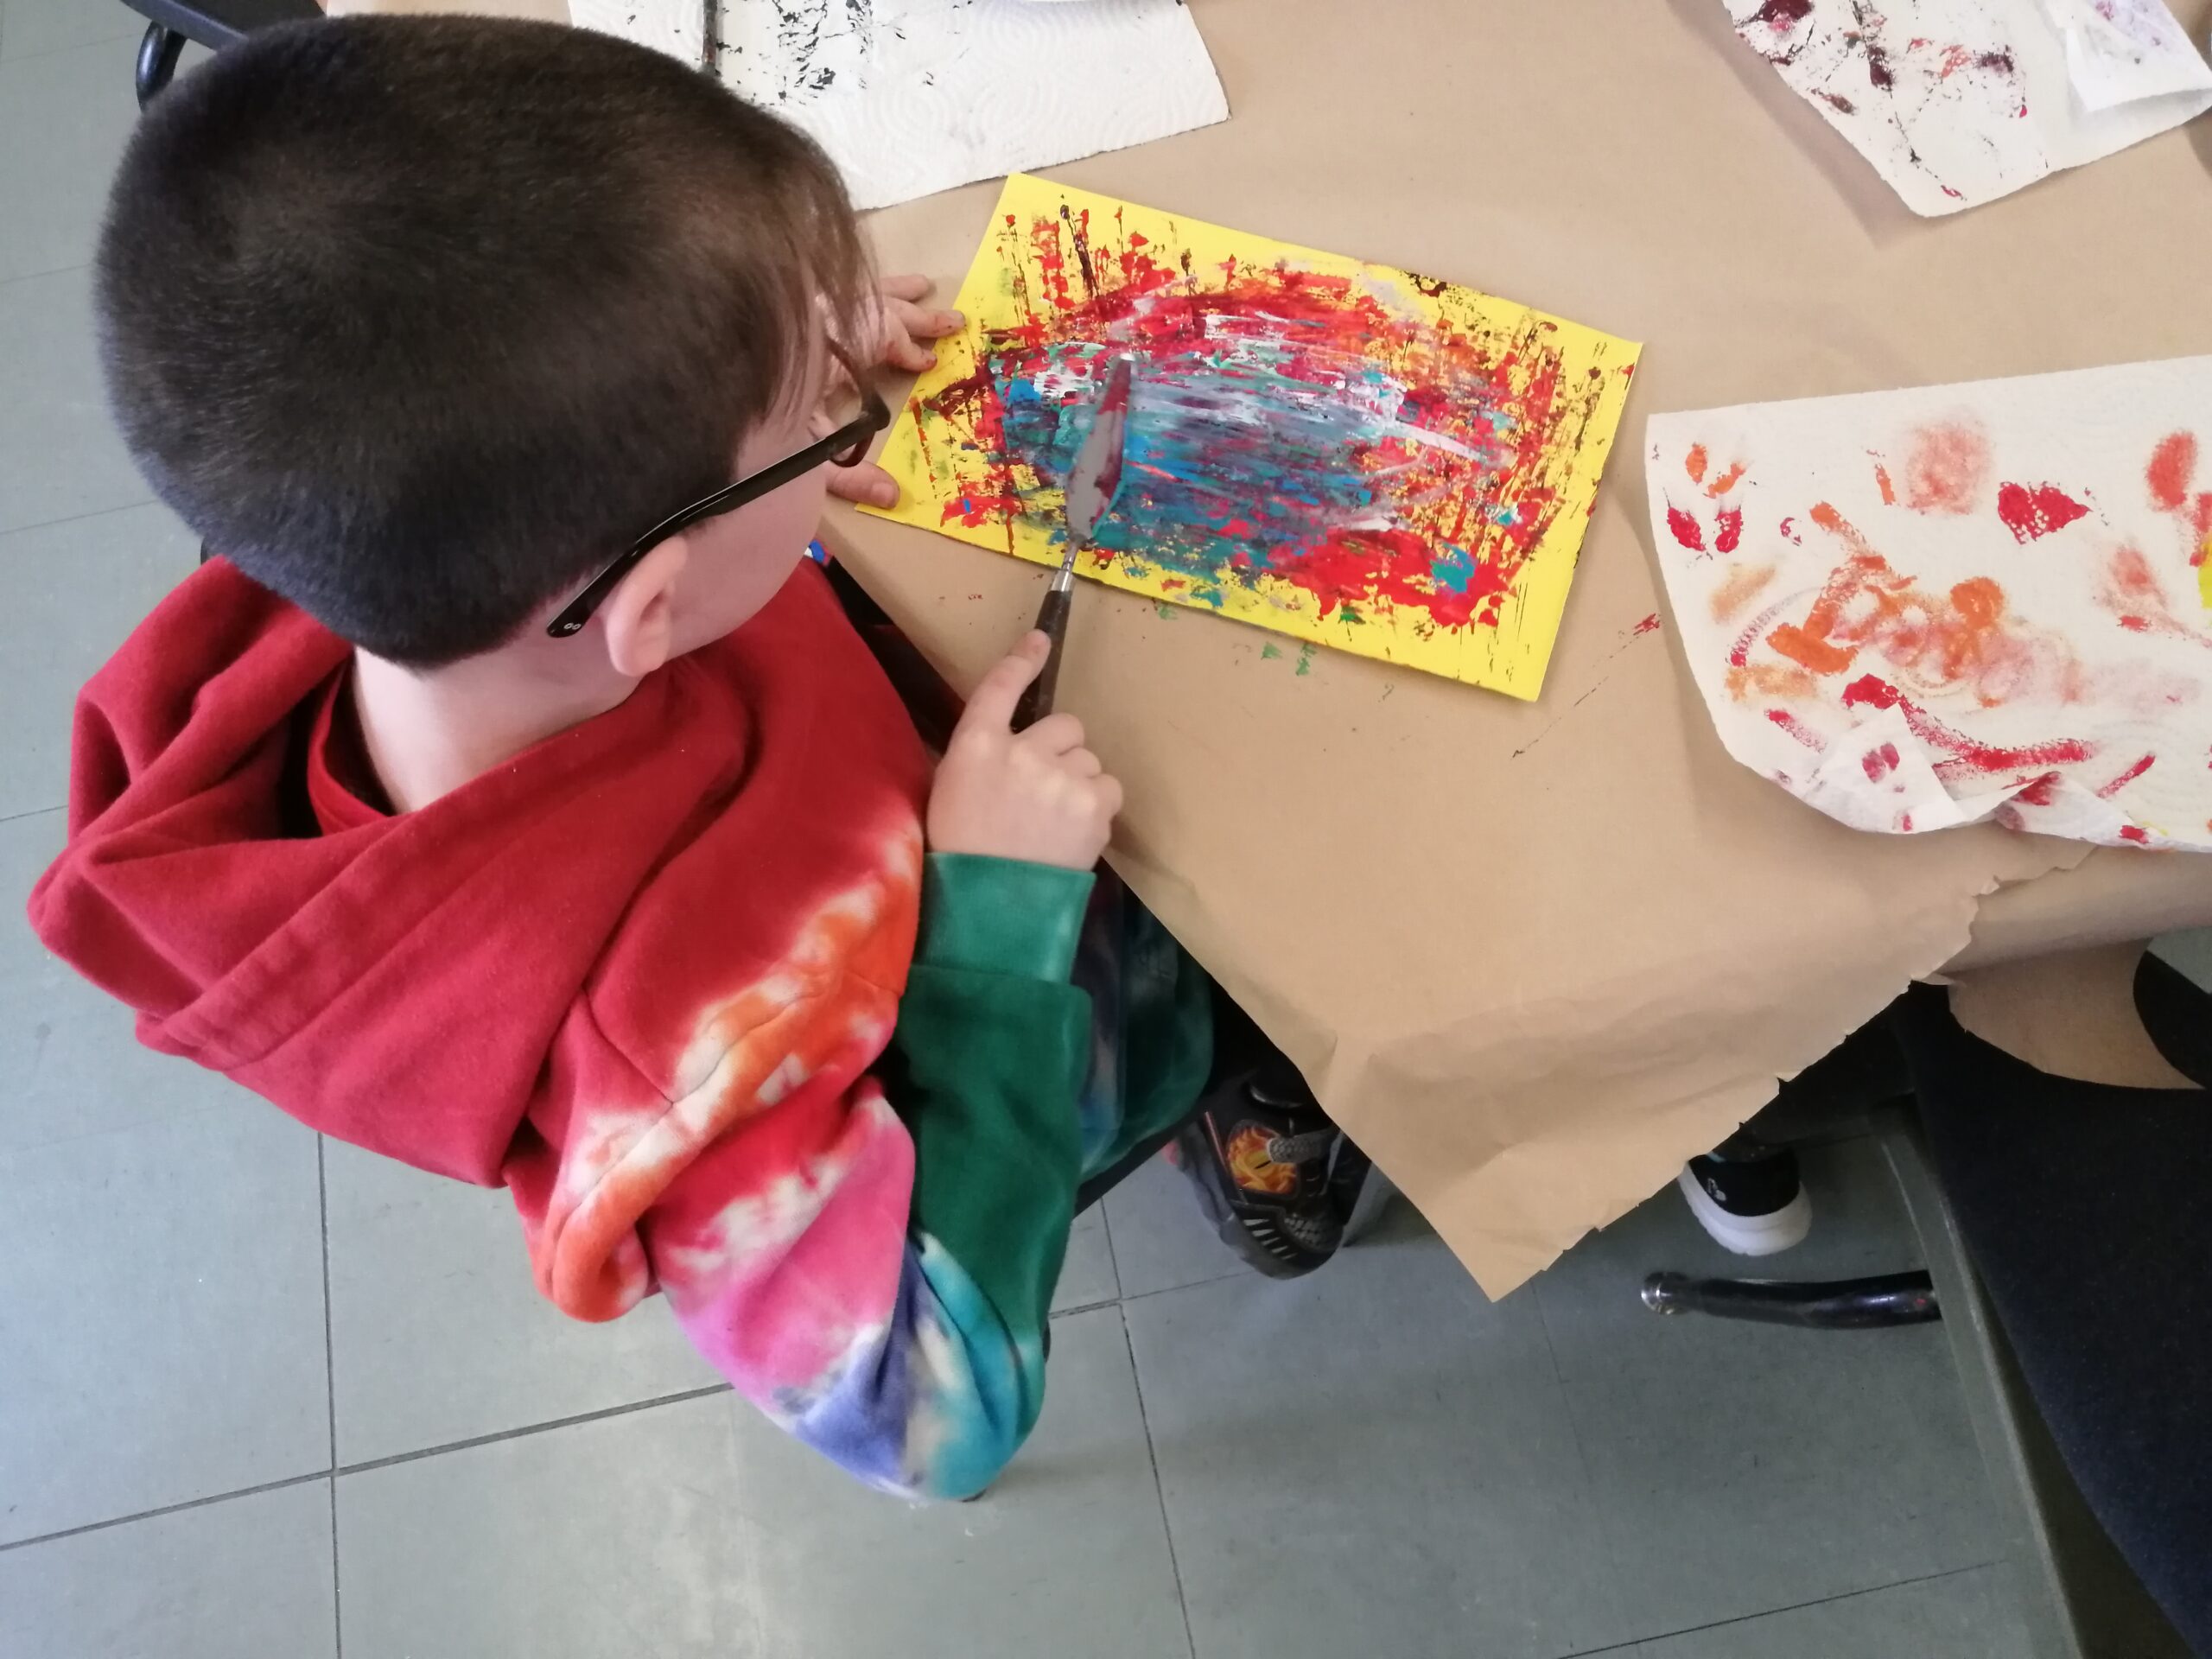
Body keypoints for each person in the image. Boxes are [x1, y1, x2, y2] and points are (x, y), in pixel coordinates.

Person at [27, 13, 1359, 1502]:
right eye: (807, 422)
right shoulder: (660, 1058)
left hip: (927, 792)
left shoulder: (421, 539)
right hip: (1024, 998)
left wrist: (743, 391)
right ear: (647, 607)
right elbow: (937, 1416)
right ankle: (1232, 1121)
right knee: (1272, 1008)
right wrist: (997, 921)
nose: (831, 416)